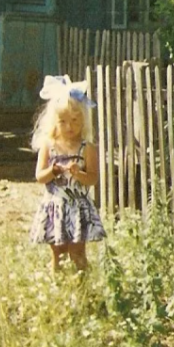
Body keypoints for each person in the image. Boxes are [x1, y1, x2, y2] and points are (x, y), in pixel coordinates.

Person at [29, 75, 105, 271]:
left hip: (77, 205)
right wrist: (53, 171)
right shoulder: (49, 146)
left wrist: (79, 174)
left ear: (83, 121)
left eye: (74, 120)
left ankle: (83, 288)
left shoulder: (87, 148)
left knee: (78, 253)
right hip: (55, 206)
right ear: (54, 122)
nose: (69, 126)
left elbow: (93, 178)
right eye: (63, 121)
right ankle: (59, 288)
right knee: (58, 252)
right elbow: (40, 176)